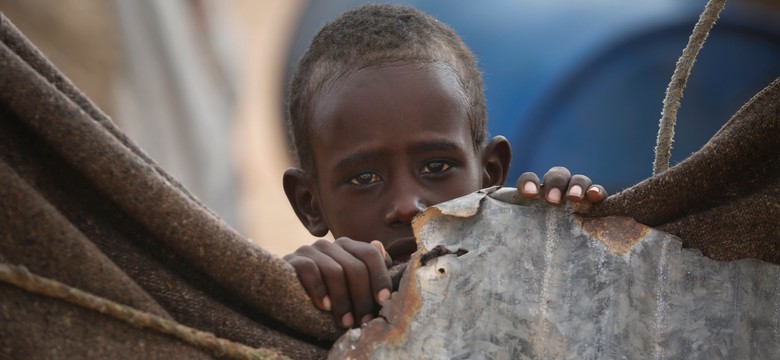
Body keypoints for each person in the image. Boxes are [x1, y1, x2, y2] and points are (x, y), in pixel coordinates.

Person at [281, 4, 606, 329]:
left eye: (436, 166)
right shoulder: (300, 317)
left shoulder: (542, 283)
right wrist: (285, 295)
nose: (408, 205)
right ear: (310, 203)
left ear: (490, 173)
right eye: (365, 178)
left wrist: (574, 243)